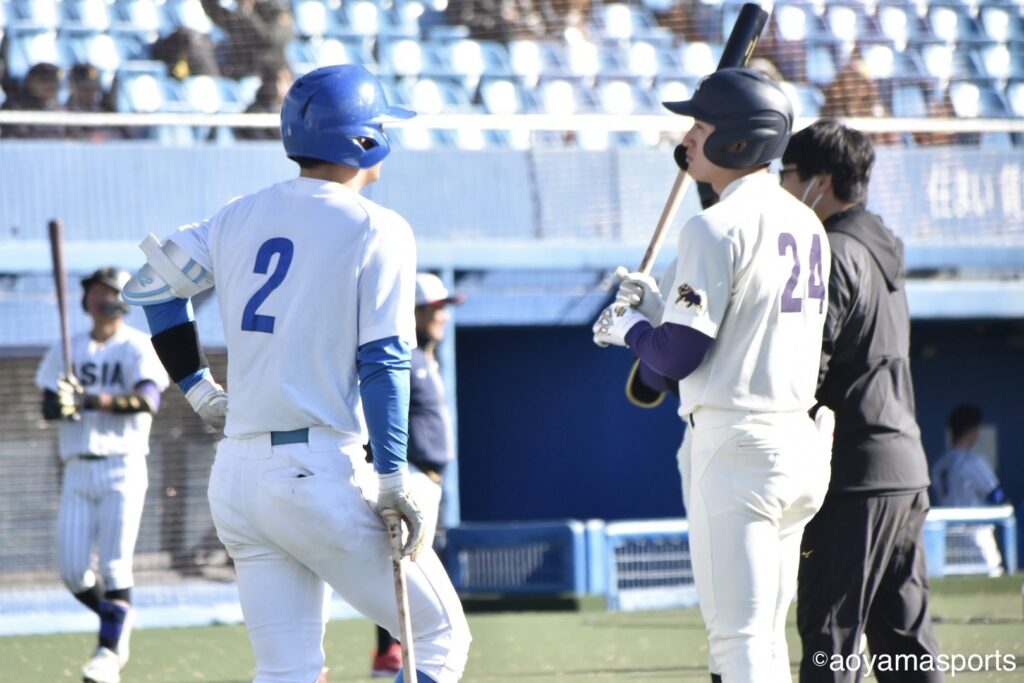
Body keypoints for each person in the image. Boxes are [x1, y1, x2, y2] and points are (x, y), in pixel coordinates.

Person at [122, 64, 470, 683]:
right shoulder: (377, 226)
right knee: (440, 638)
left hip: (238, 474)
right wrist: (393, 478)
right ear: (364, 138)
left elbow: (150, 287)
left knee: (286, 670)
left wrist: (198, 388)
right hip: (316, 470)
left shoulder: (237, 214)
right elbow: (384, 361)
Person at [593, 68, 832, 681]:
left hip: (737, 443)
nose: (688, 138)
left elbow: (676, 357)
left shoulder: (711, 225)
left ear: (737, 139)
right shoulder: (806, 221)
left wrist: (628, 330)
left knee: (738, 642)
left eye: (701, 126)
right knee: (766, 637)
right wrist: (657, 309)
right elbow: (736, 327)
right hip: (797, 440)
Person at [779, 118, 944, 682]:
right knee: (906, 644)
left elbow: (805, 369)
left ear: (820, 182)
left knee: (830, 639)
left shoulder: (830, 252)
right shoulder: (880, 247)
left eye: (787, 174)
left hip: (851, 475)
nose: (781, 186)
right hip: (904, 469)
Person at [35, 267, 170, 683]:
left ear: (122, 301)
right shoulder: (68, 347)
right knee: (73, 571)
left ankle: (108, 653)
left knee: (114, 566)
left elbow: (147, 400)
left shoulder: (138, 346)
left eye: (109, 291)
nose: (101, 297)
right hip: (77, 466)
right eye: (95, 291)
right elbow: (47, 406)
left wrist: (88, 400)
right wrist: (61, 404)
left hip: (122, 465)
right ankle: (119, 618)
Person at [371, 272, 465, 677]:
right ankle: (390, 651)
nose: (443, 316)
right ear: (414, 312)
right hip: (407, 477)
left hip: (429, 477)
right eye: (435, 308)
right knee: (405, 567)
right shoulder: (403, 356)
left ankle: (394, 651)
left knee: (413, 565)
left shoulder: (426, 356)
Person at [932, 404, 1006, 576]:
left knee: (957, 582)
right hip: (975, 534)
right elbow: (996, 495)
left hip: (949, 537)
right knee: (993, 576)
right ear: (973, 430)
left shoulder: (940, 464)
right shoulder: (972, 460)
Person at [199, 0, 293, 79]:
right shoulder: (241, 15)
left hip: (274, 75)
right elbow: (214, 13)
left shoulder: (279, 12)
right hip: (244, 74)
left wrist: (249, 13)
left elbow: (269, 39)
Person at [1, 62, 66, 139]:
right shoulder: (15, 107)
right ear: (31, 82)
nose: (51, 85)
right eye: (44, 79)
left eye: (54, 80)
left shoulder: (60, 108)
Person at [234, 67, 292, 141]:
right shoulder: (255, 113)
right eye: (285, 82)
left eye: (289, 82)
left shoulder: (288, 111)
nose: (289, 87)